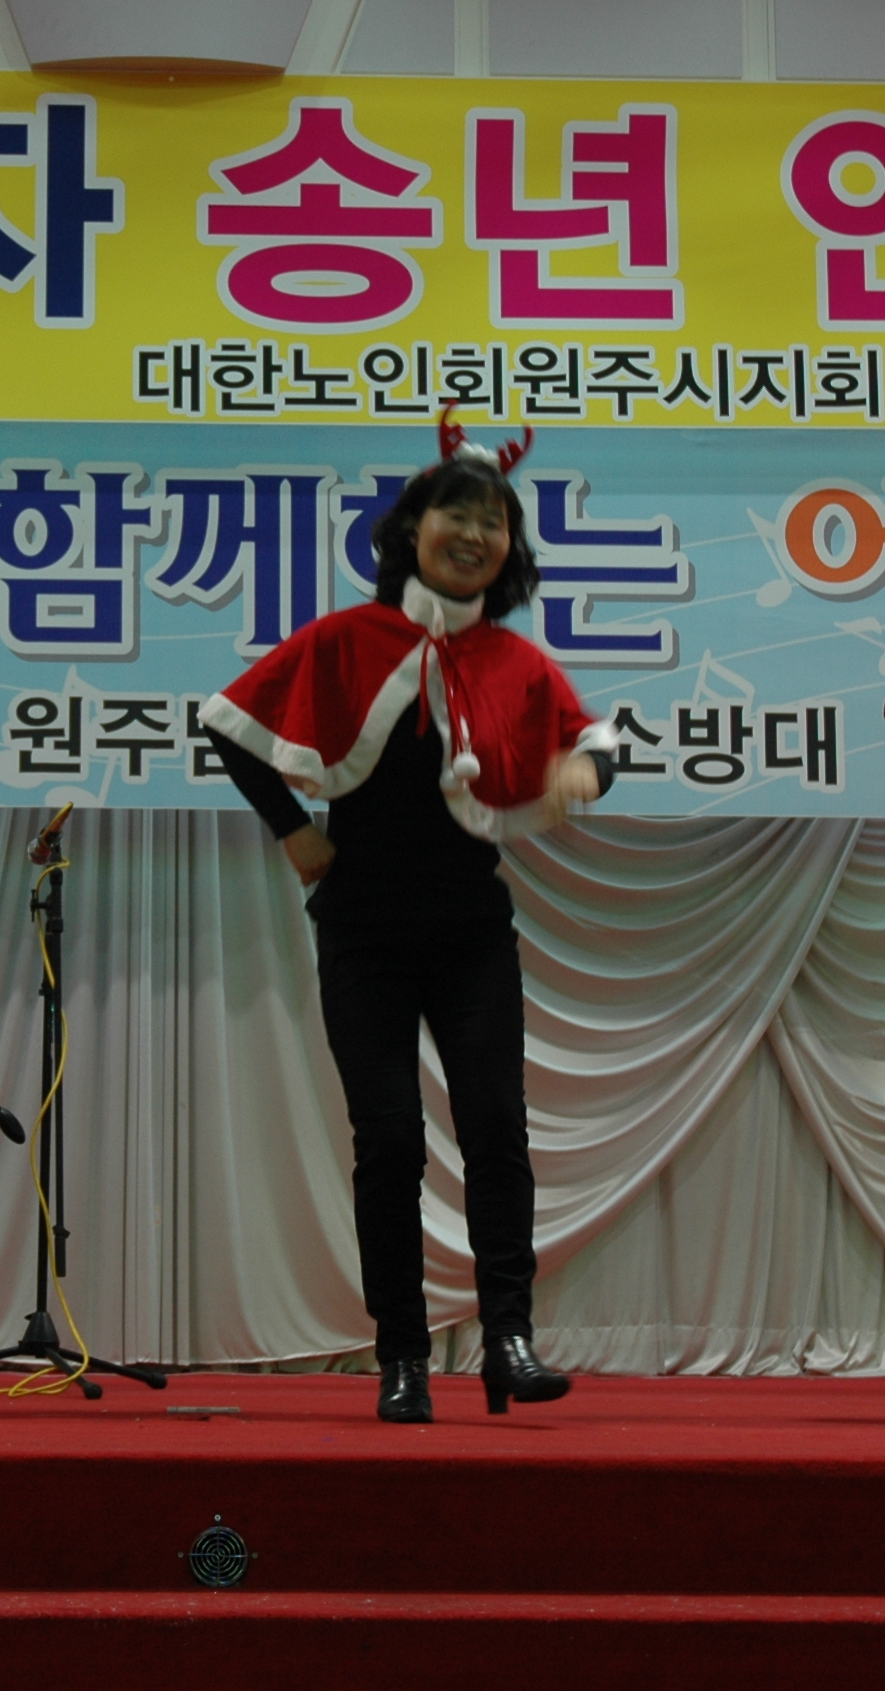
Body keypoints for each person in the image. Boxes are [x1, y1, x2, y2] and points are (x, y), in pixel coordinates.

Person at [200, 414, 615, 1423]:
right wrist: (294, 834)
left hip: (471, 926)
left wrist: (581, 772)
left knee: (496, 1129)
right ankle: (401, 1355)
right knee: (386, 1140)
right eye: (455, 514)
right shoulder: (348, 638)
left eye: (493, 522)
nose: (473, 533)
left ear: (508, 548)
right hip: (361, 927)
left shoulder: (515, 659)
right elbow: (229, 725)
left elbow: (595, 742)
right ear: (412, 528)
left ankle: (509, 1339)